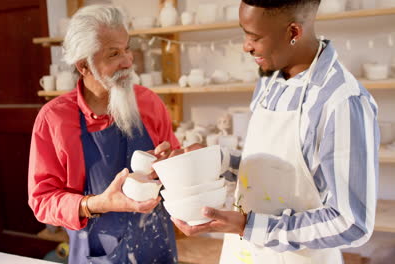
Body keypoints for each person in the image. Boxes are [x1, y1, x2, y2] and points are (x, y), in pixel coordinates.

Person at [171, 0, 380, 263]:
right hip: (242, 253)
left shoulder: (342, 101)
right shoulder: (270, 81)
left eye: (254, 37)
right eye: (244, 33)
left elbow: (352, 223)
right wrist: (214, 161)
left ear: (293, 32)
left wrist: (249, 226)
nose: (246, 46)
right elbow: (272, 172)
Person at [28, 5, 179, 263]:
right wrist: (98, 203)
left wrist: (171, 162)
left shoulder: (149, 102)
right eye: (114, 54)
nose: (128, 61)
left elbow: (175, 165)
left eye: (127, 48)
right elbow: (42, 201)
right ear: (84, 65)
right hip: (100, 255)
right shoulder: (54, 119)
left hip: (157, 248)